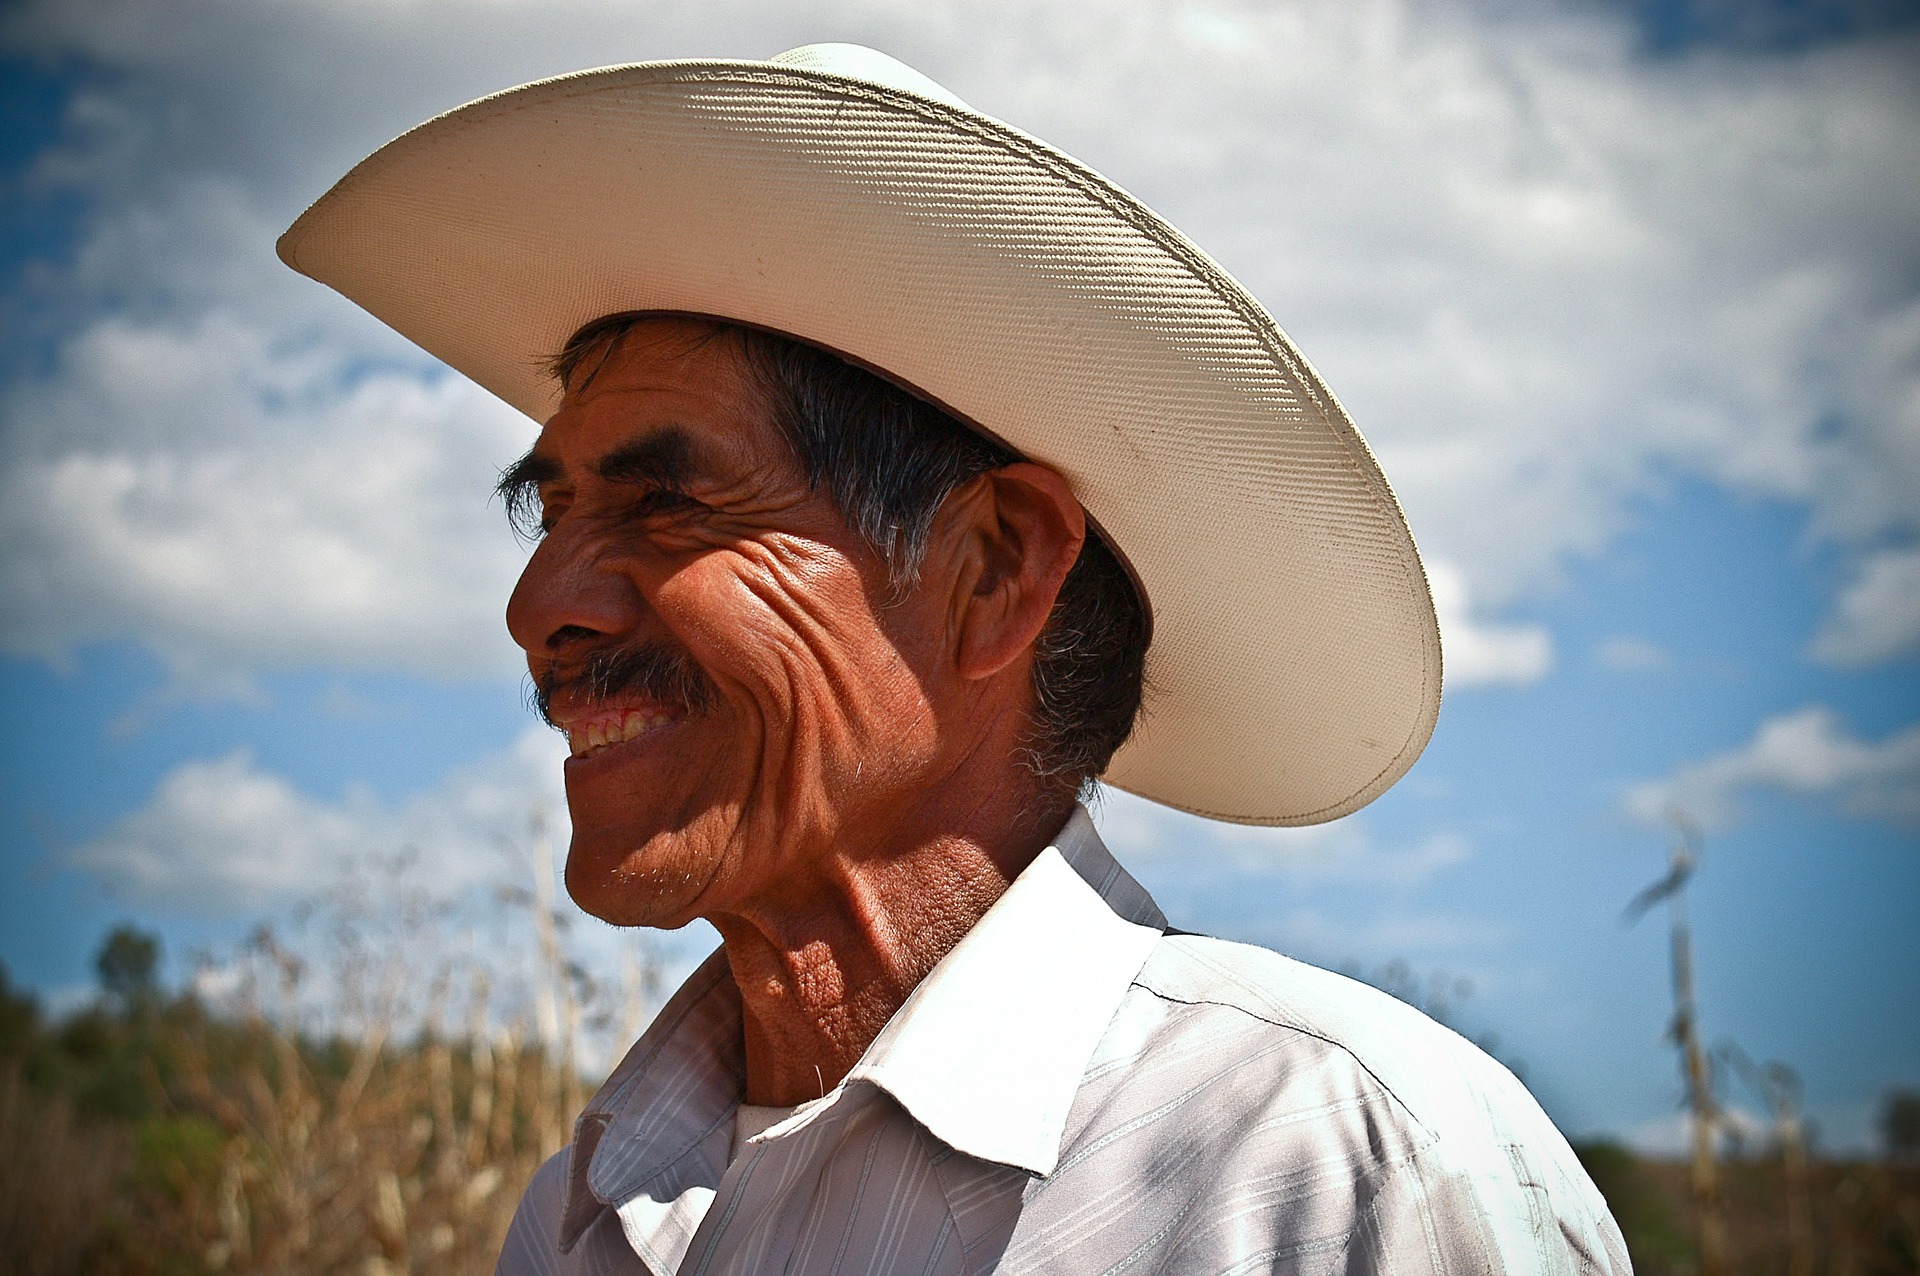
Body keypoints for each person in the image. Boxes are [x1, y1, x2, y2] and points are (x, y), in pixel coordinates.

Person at [281, 43, 1629, 1275]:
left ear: (990, 574)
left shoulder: (1325, 1173)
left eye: (671, 504)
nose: (540, 605)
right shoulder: (587, 1217)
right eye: (553, 509)